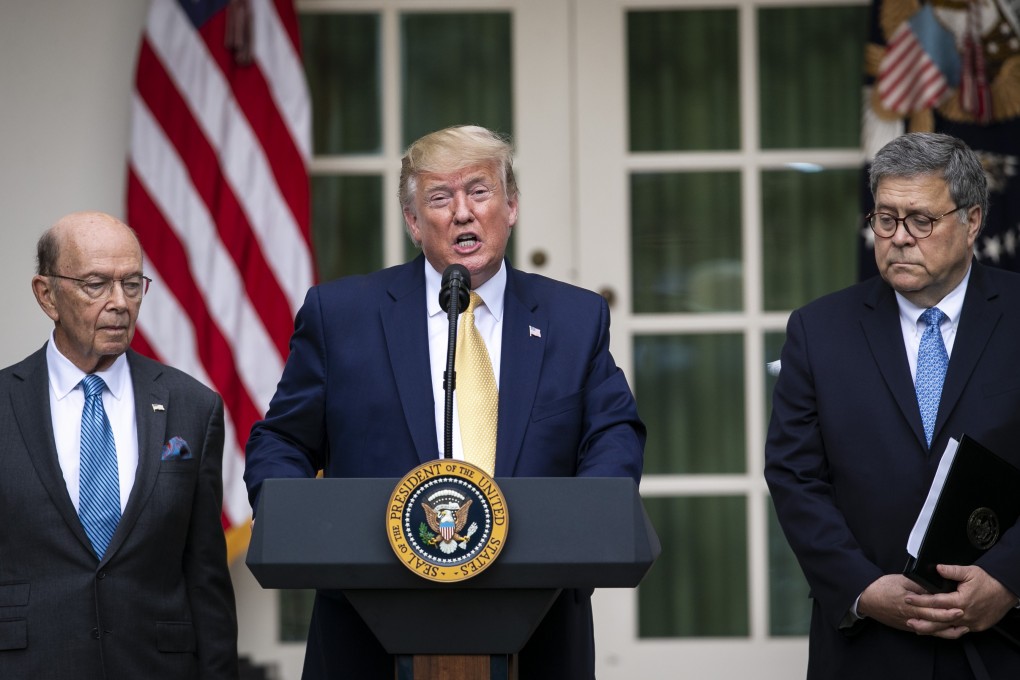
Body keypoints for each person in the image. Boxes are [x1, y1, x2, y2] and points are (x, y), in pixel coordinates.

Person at [244, 124, 645, 679]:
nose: (462, 213)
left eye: (479, 191)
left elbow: (613, 434)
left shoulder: (574, 318)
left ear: (511, 206)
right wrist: (298, 520)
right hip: (365, 630)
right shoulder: (341, 316)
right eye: (439, 198)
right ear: (413, 222)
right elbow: (282, 440)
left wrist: (583, 526)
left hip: (541, 627)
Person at [766, 132, 1020, 678]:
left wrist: (1008, 578)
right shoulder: (817, 330)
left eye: (921, 220)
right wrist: (862, 586)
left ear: (972, 221)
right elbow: (794, 476)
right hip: (866, 645)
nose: (900, 237)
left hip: (1003, 640)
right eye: (886, 219)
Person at [0, 211, 238, 678]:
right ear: (47, 295)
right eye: (95, 285)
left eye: (132, 284)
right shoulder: (6, 403)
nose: (119, 303)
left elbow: (206, 575)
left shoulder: (193, 406)